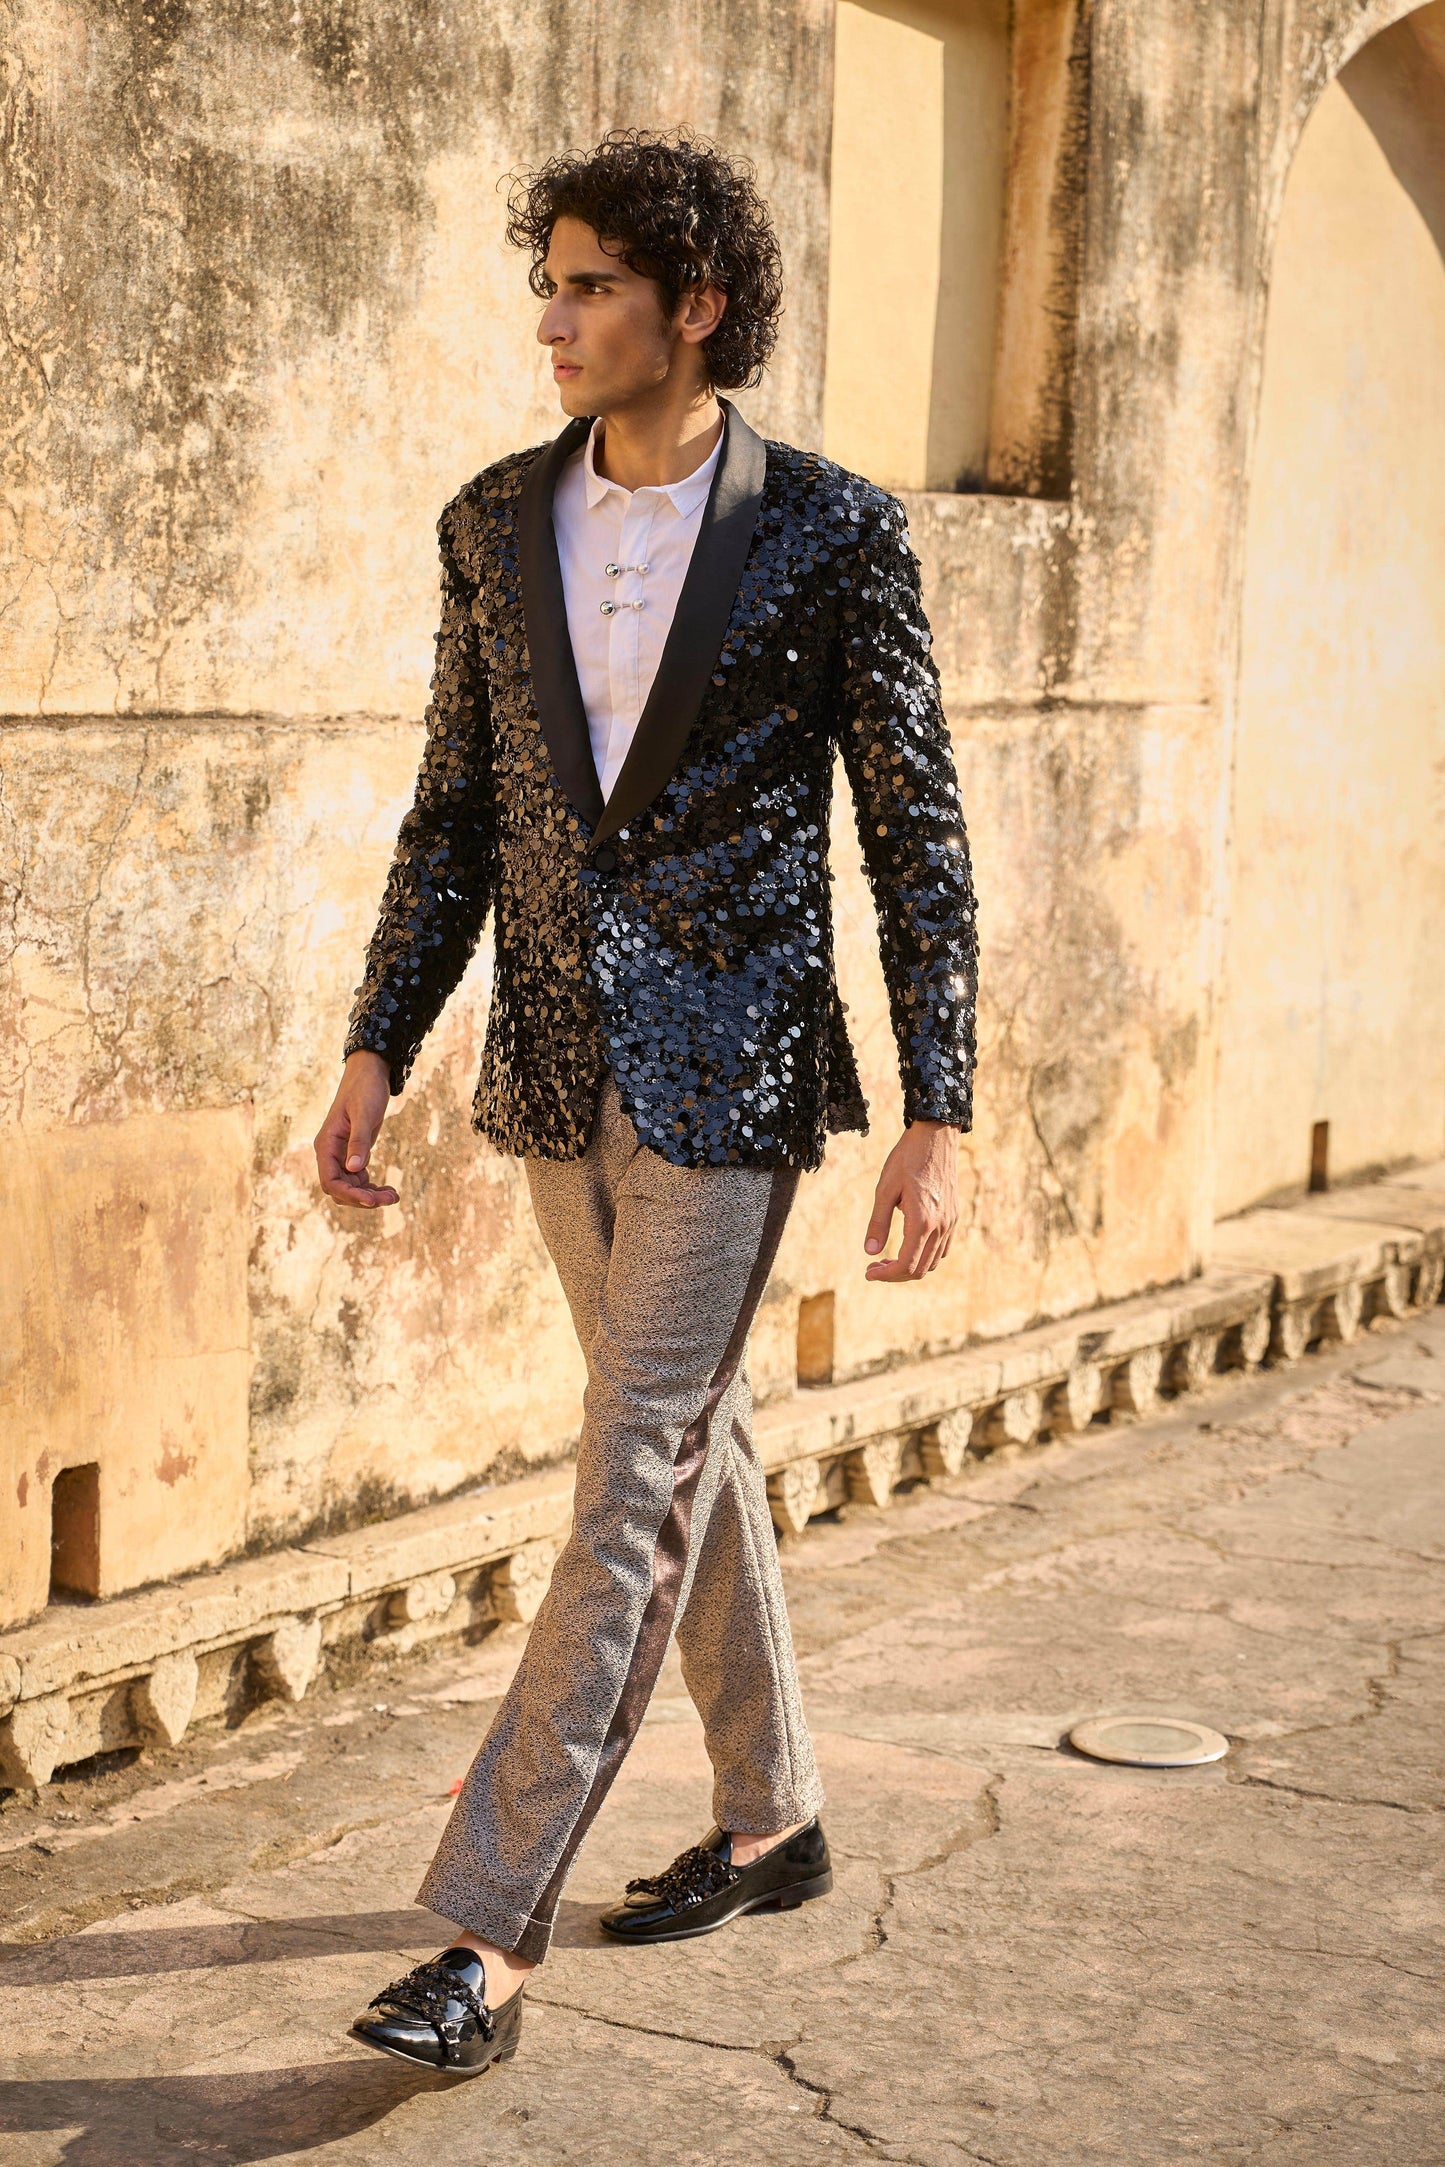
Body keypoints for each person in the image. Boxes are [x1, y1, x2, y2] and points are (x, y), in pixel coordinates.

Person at [315, 128, 978, 2079]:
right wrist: (375, 1040)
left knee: (625, 1483)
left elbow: (914, 830)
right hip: (551, 1069)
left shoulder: (832, 531)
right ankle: (772, 1817)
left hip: (736, 1073)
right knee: (690, 1448)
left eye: (592, 284)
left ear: (695, 305)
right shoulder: (489, 521)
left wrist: (938, 1103)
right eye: (549, 281)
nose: (554, 317)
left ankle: (482, 1938)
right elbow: (454, 815)